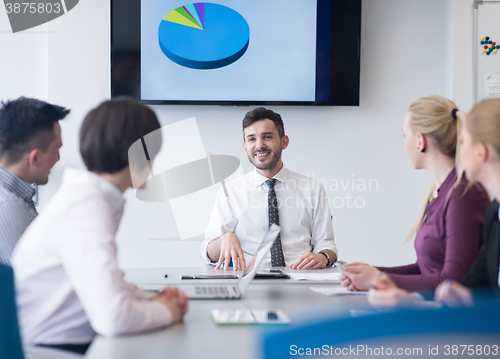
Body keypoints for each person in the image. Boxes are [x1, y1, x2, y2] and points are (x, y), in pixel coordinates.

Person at [11, 98, 188, 355]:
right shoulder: (87, 207)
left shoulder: (89, 198)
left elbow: (103, 282)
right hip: (51, 351)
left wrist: (151, 299)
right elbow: (113, 318)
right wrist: (167, 312)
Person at [340, 95, 490, 292]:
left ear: (420, 141)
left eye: (405, 136)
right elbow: (425, 269)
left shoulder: (462, 195)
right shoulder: (440, 192)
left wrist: (378, 279)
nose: (404, 144)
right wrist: (372, 273)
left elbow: (452, 282)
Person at [201, 107, 337, 270]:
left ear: (284, 142)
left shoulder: (312, 189)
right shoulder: (230, 192)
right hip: (249, 279)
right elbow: (207, 252)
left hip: (300, 276)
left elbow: (327, 245)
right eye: (252, 139)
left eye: (267, 137)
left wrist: (323, 257)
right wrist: (223, 240)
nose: (259, 145)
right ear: (245, 147)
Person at [0, 97, 69, 265]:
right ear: (35, 158)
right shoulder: (11, 208)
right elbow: (36, 285)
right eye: (57, 149)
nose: (58, 158)